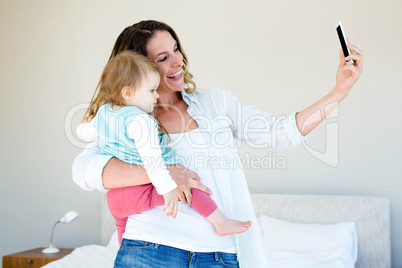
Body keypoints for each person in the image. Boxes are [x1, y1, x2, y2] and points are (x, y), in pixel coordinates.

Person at [72, 20, 363, 267]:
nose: (178, 61)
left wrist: (338, 92)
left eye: (176, 49)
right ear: (138, 68)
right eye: (162, 58)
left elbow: (282, 132)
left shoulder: (215, 103)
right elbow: (86, 170)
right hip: (150, 248)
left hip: (217, 255)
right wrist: (160, 173)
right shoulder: (123, 119)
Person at [76, 51, 252, 245]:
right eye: (151, 90)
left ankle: (121, 249)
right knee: (191, 187)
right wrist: (168, 188)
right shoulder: (142, 121)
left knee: (123, 232)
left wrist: (83, 127)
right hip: (145, 189)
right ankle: (221, 222)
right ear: (127, 93)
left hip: (117, 199)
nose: (157, 95)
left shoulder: (104, 113)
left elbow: (86, 133)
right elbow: (153, 161)